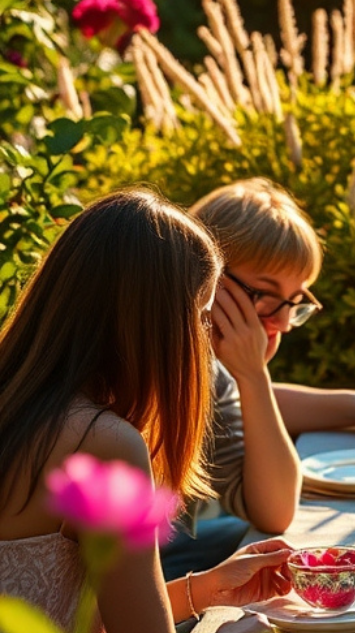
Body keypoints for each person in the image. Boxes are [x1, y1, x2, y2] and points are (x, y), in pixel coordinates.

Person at [0, 187, 293, 632]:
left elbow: (64, 614)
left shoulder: (24, 404)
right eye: (202, 316)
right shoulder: (100, 441)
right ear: (163, 324)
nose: (203, 339)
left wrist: (208, 589)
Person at [164, 178, 355, 574]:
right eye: (264, 293)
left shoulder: (200, 367)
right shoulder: (185, 372)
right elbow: (275, 511)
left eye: (295, 300)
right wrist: (254, 375)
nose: (284, 321)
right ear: (203, 275)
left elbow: (234, 406)